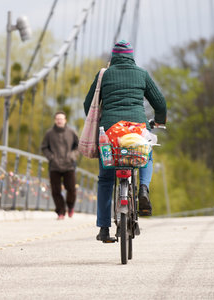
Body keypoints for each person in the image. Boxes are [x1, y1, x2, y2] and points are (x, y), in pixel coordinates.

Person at [84, 40, 167, 242]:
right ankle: (144, 188)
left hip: (110, 131)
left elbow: (89, 104)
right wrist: (158, 121)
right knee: (146, 156)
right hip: (137, 129)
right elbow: (160, 103)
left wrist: (98, 121)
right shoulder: (142, 74)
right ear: (131, 56)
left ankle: (104, 228)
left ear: (113, 57)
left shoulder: (104, 74)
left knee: (105, 179)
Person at [41, 111, 80, 220]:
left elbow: (79, 146)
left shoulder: (72, 132)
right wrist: (51, 157)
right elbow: (44, 147)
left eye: (61, 119)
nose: (59, 120)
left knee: (71, 189)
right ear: (55, 120)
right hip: (54, 166)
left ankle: (70, 206)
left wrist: (72, 156)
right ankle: (61, 212)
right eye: (57, 119)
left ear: (65, 120)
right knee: (55, 191)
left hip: (69, 165)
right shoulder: (49, 133)